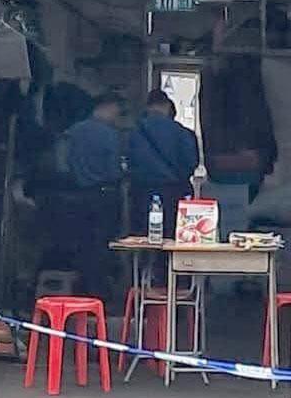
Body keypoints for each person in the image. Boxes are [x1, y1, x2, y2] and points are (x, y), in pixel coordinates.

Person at [63, 93, 123, 297]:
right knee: (103, 244)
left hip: (78, 195)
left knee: (82, 243)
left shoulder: (74, 131)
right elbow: (114, 170)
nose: (117, 116)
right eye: (116, 111)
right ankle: (99, 291)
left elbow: (66, 163)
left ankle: (82, 287)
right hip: (105, 195)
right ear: (106, 107)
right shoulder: (109, 134)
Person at [130, 89, 200, 238]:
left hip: (143, 192)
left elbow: (129, 162)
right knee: (174, 235)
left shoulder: (134, 133)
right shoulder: (183, 133)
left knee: (143, 236)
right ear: (167, 106)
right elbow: (192, 163)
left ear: (147, 107)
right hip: (175, 191)